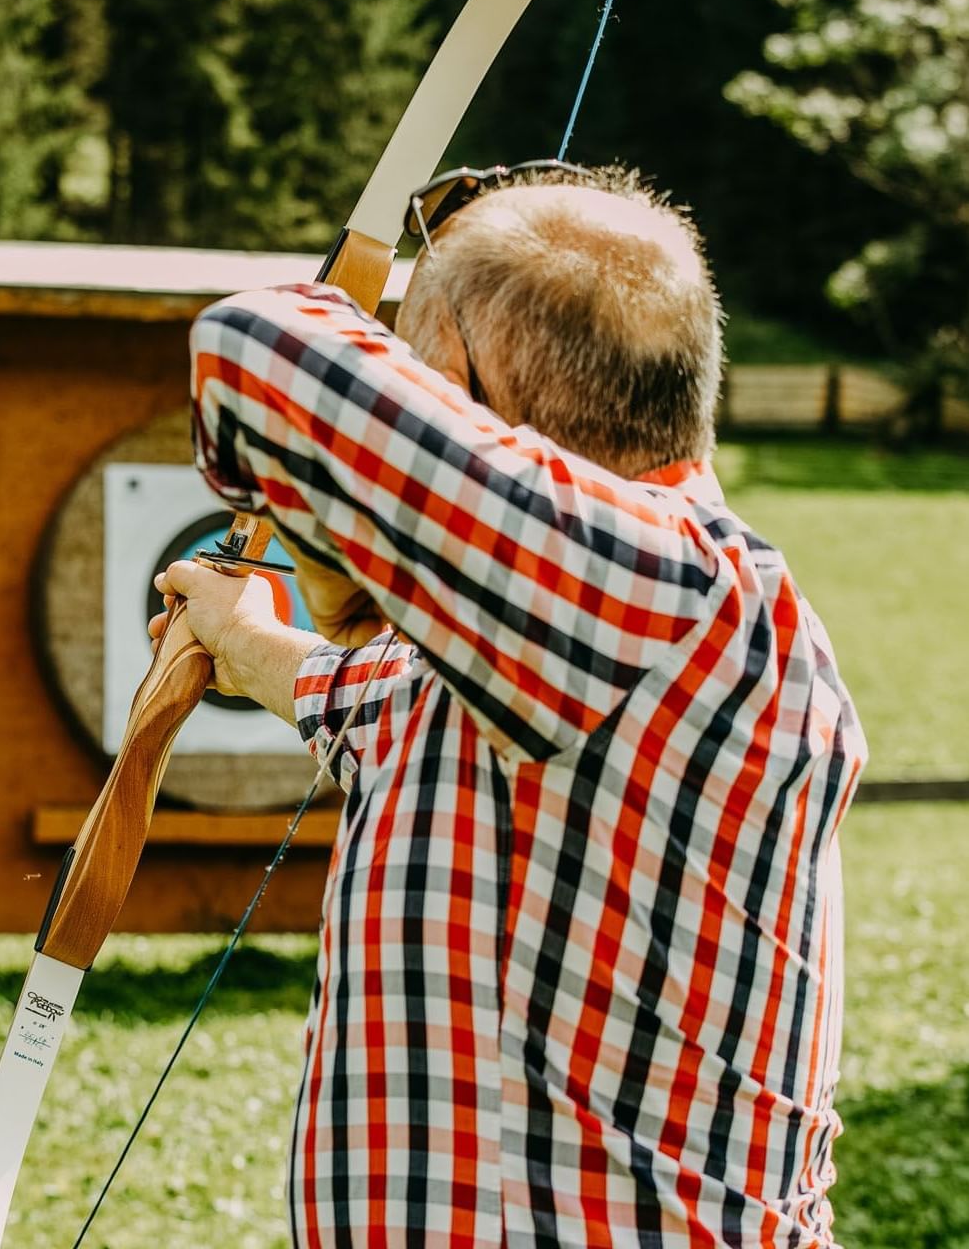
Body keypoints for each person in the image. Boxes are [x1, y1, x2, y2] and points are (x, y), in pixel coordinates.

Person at [152, 165, 866, 1247]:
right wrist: (248, 639)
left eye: (410, 369)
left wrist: (350, 489)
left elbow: (255, 347)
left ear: (446, 381)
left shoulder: (653, 586)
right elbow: (385, 709)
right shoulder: (561, 635)